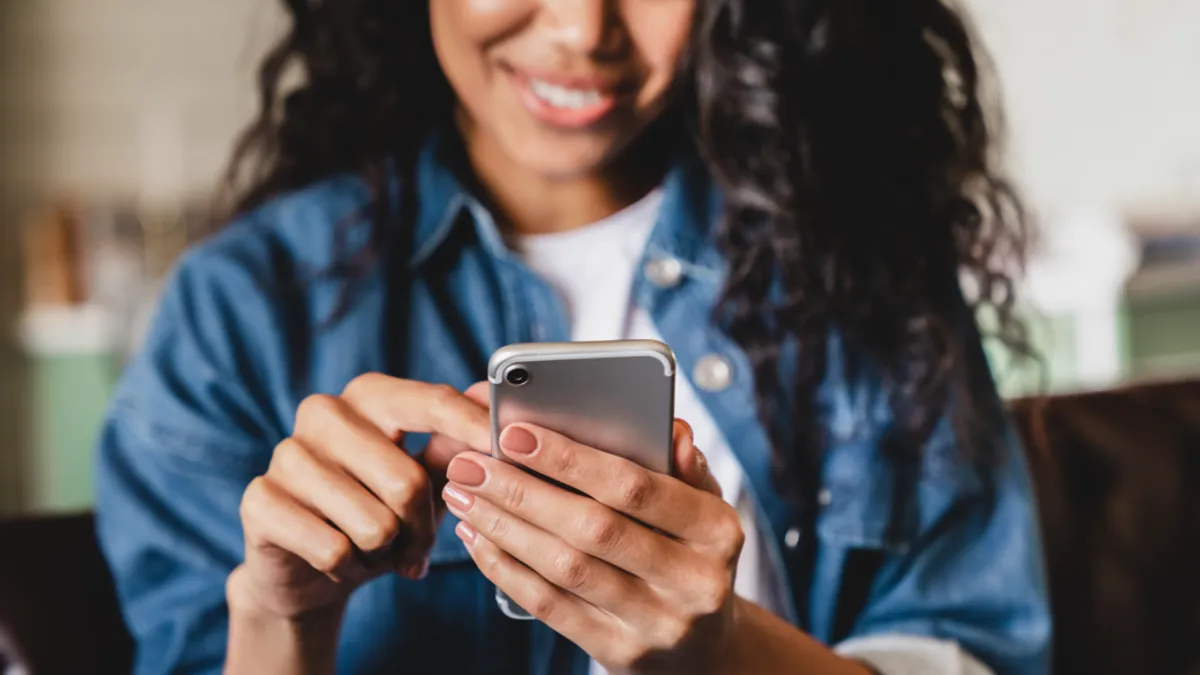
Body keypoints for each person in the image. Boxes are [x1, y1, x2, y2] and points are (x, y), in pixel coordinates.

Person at [94, 1, 1051, 674]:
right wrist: (277, 615)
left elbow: (972, 650)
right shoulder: (244, 310)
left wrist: (719, 653)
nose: (582, 27)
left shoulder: (860, 265)